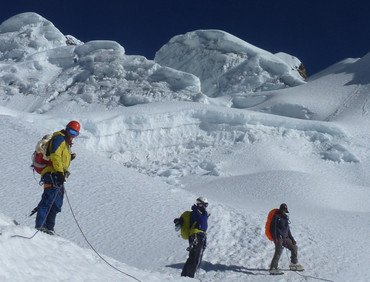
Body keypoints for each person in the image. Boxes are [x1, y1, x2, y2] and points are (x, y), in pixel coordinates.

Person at [35, 120, 80, 235]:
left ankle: (49, 228)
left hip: (58, 176)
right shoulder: (59, 139)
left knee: (56, 204)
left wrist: (69, 157)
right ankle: (40, 227)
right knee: (48, 201)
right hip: (52, 174)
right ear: (66, 129)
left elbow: (61, 157)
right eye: (70, 131)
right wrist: (60, 172)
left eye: (75, 133)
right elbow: (55, 155)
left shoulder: (66, 143)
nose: (72, 135)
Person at [269, 203, 304, 274]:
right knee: (278, 251)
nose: (284, 211)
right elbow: (273, 229)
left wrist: (292, 239)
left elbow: (288, 230)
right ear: (280, 209)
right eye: (283, 209)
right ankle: (273, 268)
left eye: (285, 210)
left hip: (286, 237)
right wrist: (275, 238)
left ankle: (293, 264)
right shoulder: (276, 217)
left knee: (294, 247)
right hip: (278, 238)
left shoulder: (285, 218)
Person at [181, 197, 209, 278]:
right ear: (200, 203)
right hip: (196, 235)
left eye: (206, 205)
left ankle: (185, 276)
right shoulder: (196, 211)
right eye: (204, 204)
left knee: (195, 256)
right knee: (195, 257)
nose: (205, 206)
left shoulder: (202, 212)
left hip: (201, 235)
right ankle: (188, 277)